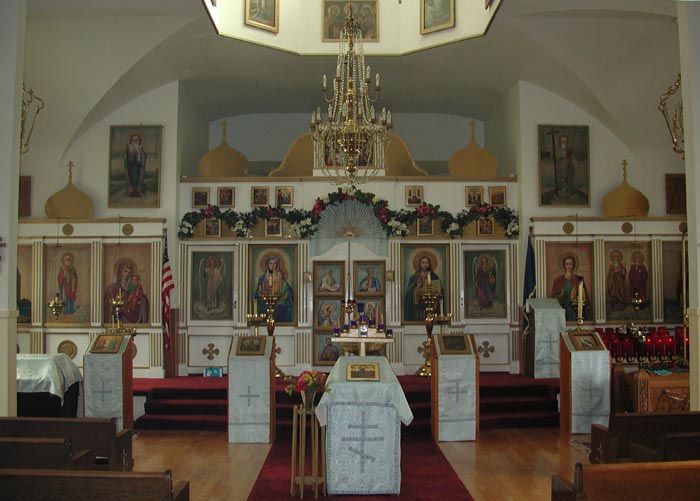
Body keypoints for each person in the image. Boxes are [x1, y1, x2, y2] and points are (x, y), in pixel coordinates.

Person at [104, 258, 149, 324]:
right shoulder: (112, 288)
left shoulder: (134, 287)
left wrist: (141, 299)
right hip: (119, 317)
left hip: (133, 315)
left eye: (129, 272)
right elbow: (109, 306)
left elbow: (141, 297)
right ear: (120, 272)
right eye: (125, 271)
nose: (127, 274)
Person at [403, 254, 443, 322]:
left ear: (429, 264)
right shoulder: (414, 277)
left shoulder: (434, 277)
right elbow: (408, 293)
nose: (425, 265)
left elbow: (440, 292)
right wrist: (417, 288)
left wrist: (437, 292)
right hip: (418, 305)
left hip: (431, 304)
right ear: (420, 264)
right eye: (423, 263)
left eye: (427, 263)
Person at [255, 254, 294, 322]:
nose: (272, 265)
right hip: (265, 304)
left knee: (280, 309)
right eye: (270, 263)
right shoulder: (262, 278)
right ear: (267, 265)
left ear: (277, 265)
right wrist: (260, 294)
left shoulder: (280, 277)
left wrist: (287, 294)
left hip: (278, 304)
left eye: (274, 263)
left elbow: (288, 290)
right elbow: (258, 293)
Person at [550, 255, 587, 321]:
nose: (569, 266)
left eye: (571, 264)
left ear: (574, 265)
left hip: (574, 308)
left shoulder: (578, 279)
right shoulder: (558, 280)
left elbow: (584, 296)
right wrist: (560, 295)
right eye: (567, 264)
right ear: (564, 265)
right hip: (563, 307)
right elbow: (553, 298)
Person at [124, 133, 147, 197]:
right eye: (133, 140)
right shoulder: (128, 150)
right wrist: (131, 152)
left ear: (139, 141)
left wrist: (139, 152)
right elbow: (129, 161)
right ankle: (131, 191)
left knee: (137, 179)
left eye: (136, 140)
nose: (135, 142)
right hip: (130, 169)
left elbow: (141, 160)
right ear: (131, 141)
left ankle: (138, 191)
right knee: (131, 179)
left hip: (138, 170)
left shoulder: (141, 151)